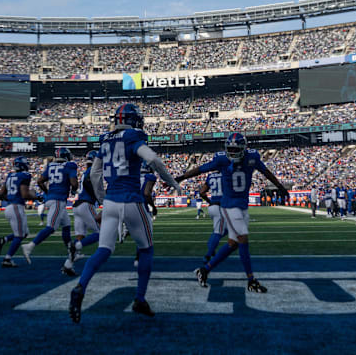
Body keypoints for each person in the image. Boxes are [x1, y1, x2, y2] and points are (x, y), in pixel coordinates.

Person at [69, 104, 181, 323]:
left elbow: (94, 173)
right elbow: (153, 160)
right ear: (133, 120)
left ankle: (80, 287)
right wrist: (172, 182)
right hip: (131, 200)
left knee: (103, 249)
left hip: (111, 201)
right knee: (146, 249)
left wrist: (102, 199)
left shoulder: (106, 139)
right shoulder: (134, 136)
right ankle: (140, 298)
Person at [175, 133, 288, 293]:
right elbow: (201, 169)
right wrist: (181, 177)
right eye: (231, 149)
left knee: (233, 244)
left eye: (236, 149)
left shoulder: (252, 157)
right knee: (243, 240)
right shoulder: (222, 160)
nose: (233, 152)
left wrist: (280, 186)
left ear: (243, 148)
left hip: (242, 205)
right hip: (229, 205)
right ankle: (251, 280)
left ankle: (204, 270)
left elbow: (265, 171)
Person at [21, 148, 78, 275]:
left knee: (67, 226)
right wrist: (74, 190)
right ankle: (30, 246)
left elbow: (40, 181)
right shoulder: (70, 165)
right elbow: (74, 183)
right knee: (51, 227)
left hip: (54, 198)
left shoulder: (51, 165)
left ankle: (71, 252)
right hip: (58, 200)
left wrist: (47, 192)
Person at [0, 156, 39, 268]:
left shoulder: (10, 175)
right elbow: (24, 194)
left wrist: (11, 197)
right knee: (19, 236)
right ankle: (7, 259)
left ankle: (4, 240)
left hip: (10, 206)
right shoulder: (25, 175)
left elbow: (2, 193)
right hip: (16, 207)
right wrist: (34, 196)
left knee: (25, 233)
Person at [65, 151, 102, 274]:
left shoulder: (86, 172)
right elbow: (88, 182)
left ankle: (68, 265)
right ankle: (75, 247)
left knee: (80, 236)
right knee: (100, 233)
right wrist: (98, 196)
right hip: (86, 204)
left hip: (78, 206)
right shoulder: (92, 171)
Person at [199, 170, 225, 264]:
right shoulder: (227, 173)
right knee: (219, 232)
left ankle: (211, 245)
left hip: (212, 207)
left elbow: (202, 192)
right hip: (220, 207)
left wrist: (209, 202)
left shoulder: (211, 176)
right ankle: (208, 254)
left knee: (225, 230)